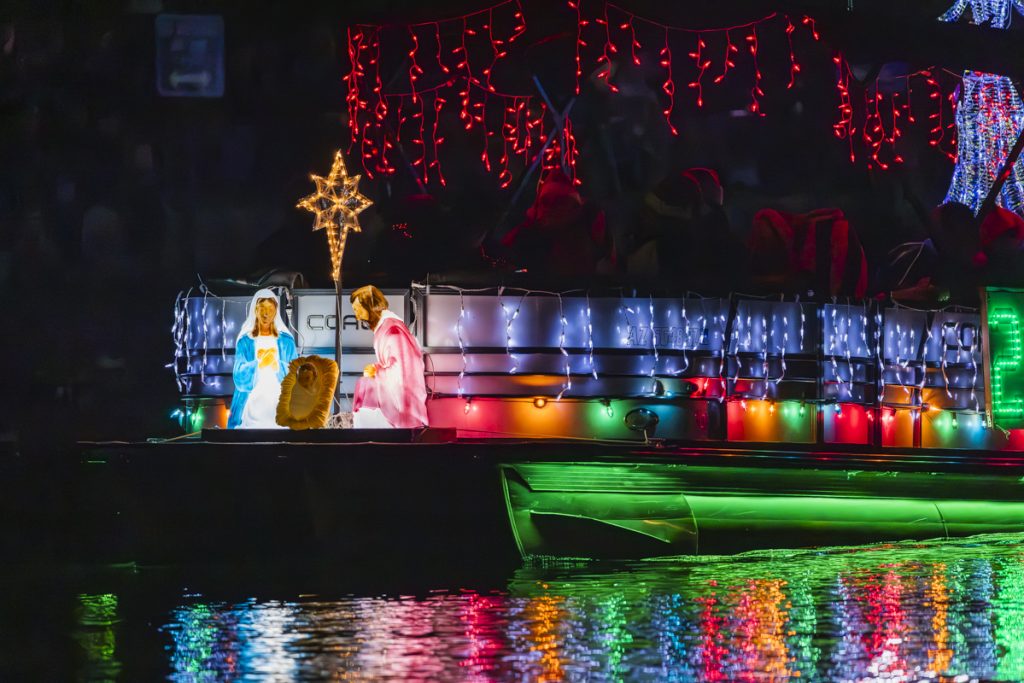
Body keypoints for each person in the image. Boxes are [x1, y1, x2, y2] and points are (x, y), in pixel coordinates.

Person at [350, 285, 429, 429]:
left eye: (358, 309)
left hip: (402, 399)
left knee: (365, 388)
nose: (356, 315)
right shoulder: (385, 327)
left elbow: (403, 369)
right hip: (392, 389)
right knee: (364, 385)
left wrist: (377, 372)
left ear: (370, 305)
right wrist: (376, 368)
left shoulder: (393, 329)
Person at [228, 288, 297, 429]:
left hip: (279, 403)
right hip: (252, 404)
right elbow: (239, 376)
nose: (266, 313)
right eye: (262, 308)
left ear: (276, 310)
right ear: (255, 310)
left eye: (270, 308)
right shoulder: (245, 341)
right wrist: (258, 364)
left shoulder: (286, 341)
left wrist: (276, 364)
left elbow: (296, 374)